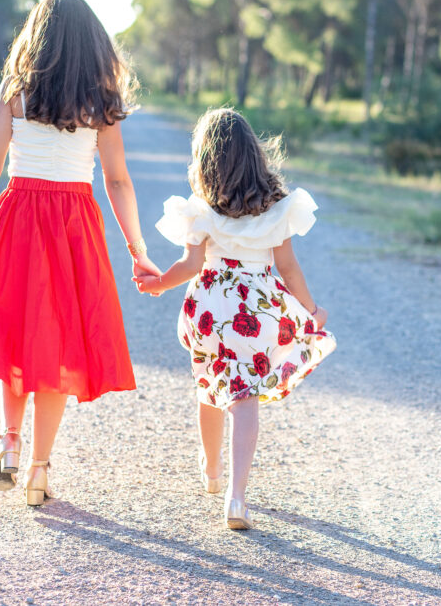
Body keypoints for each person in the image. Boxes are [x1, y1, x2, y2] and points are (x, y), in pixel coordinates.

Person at [0, 0, 159, 506]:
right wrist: (136, 248)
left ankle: (9, 446)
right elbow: (118, 181)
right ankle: (38, 471)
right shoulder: (101, 100)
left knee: (14, 334)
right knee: (56, 347)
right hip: (72, 226)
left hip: (17, 218)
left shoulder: (16, 89)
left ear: (37, 35)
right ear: (93, 44)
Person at [135, 108, 336, 530]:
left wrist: (157, 285)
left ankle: (211, 473)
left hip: (210, 311)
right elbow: (290, 270)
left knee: (209, 385)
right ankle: (237, 497)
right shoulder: (276, 209)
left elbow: (189, 266)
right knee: (243, 396)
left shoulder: (201, 210)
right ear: (254, 157)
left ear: (206, 160)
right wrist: (311, 311)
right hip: (257, 314)